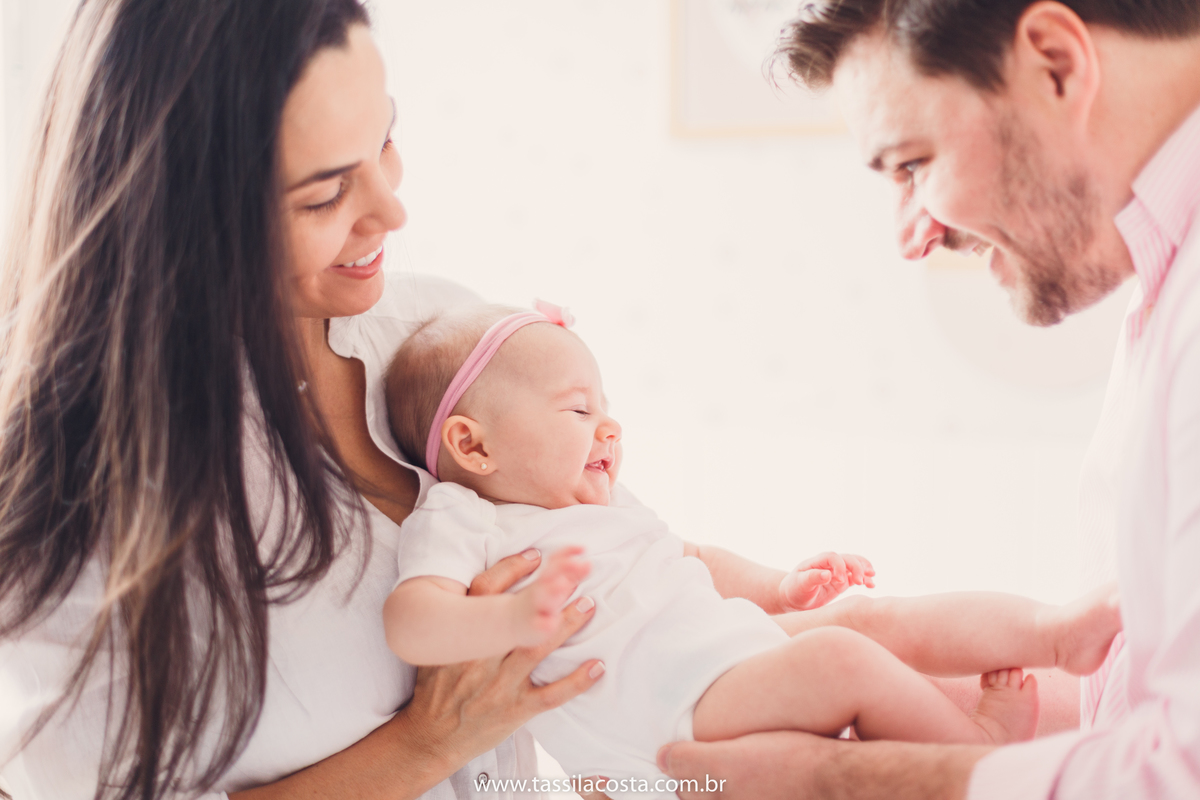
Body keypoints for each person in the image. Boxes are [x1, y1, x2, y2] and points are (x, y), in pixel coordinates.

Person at [0, 2, 605, 799]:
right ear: (178, 214)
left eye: (385, 138)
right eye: (324, 196)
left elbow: (616, 571)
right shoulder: (69, 482)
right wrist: (427, 743)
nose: (393, 210)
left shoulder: (438, 333)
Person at [655, 1, 1200, 798]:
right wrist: (871, 676)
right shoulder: (1163, 282)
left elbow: (1180, 770)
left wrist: (835, 779)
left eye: (912, 164)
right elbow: (1145, 702)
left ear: (1055, 63)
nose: (913, 236)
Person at [380, 302, 1122, 796]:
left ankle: (1056, 634)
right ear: (473, 445)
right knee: (843, 660)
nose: (608, 429)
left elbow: (690, 557)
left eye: (606, 410)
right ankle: (979, 754)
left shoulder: (601, 503)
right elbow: (412, 620)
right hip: (670, 726)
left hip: (721, 660)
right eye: (579, 410)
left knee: (865, 618)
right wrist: (508, 624)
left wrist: (776, 588)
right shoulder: (464, 519)